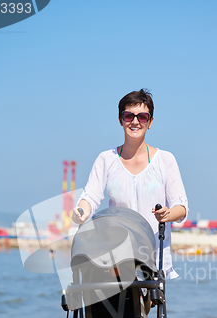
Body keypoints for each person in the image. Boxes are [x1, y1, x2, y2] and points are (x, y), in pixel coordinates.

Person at [72, 89, 189, 281]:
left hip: (152, 258)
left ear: (150, 122)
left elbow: (182, 207)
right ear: (120, 120)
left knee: (139, 308)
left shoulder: (165, 160)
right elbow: (90, 198)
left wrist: (167, 214)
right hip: (115, 256)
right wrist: (81, 212)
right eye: (129, 116)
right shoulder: (106, 159)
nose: (135, 121)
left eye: (142, 117)